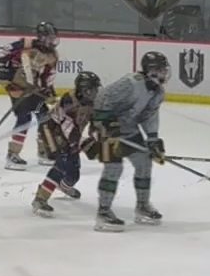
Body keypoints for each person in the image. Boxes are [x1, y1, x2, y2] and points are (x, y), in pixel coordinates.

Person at [88, 52, 168, 232]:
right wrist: (105, 123)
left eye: (164, 69)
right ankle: (103, 212)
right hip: (106, 128)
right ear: (151, 70)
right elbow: (103, 97)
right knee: (114, 168)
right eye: (161, 69)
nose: (164, 73)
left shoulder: (158, 92)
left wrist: (153, 139)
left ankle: (142, 206)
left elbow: (149, 116)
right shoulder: (131, 83)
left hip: (129, 128)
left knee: (144, 162)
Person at [31, 70, 101, 218]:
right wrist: (85, 144)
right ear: (85, 90)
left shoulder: (93, 102)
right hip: (52, 130)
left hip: (70, 135)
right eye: (93, 89)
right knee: (62, 162)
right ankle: (40, 198)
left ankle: (63, 186)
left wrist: (100, 139)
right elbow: (69, 131)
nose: (96, 92)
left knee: (73, 174)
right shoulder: (69, 101)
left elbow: (95, 126)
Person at [0, 22, 60, 171]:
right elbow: (0, 53)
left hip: (34, 90)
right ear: (41, 37)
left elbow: (49, 76)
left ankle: (44, 151)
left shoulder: (52, 55)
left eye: (53, 38)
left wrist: (49, 91)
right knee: (24, 118)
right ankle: (12, 155)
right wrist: (2, 71)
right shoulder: (26, 44)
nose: (52, 41)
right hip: (18, 88)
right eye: (49, 38)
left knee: (44, 117)